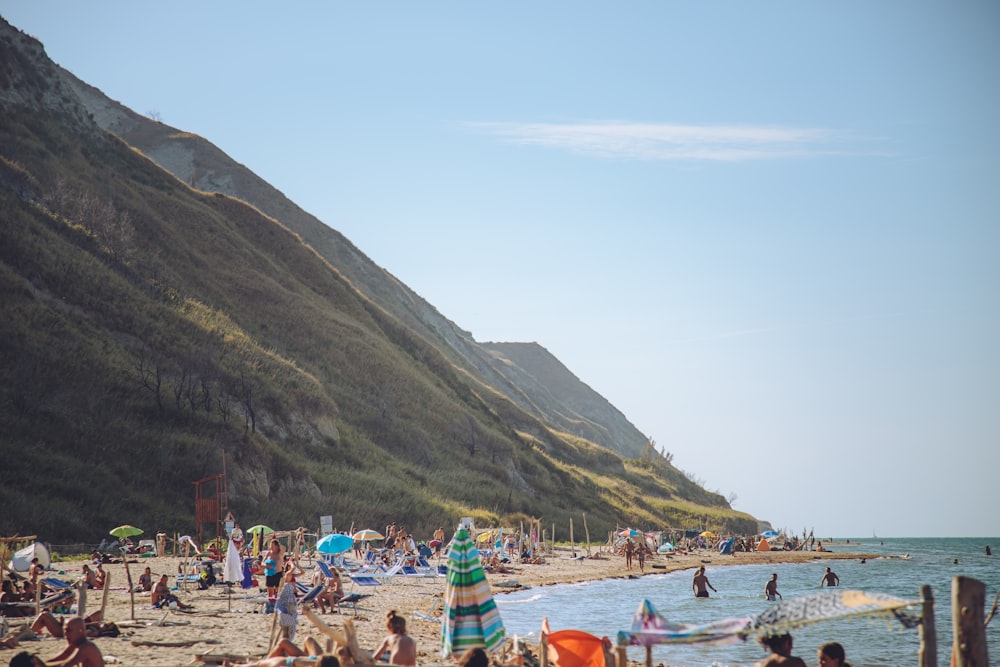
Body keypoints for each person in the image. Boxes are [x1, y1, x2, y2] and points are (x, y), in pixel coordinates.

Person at [40, 616, 105, 667]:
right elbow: (58, 659)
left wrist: (40, 665)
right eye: (64, 630)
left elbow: (66, 665)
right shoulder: (75, 644)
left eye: (69, 630)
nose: (65, 634)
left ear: (80, 631)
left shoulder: (87, 647)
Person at [275, 567, 300, 641]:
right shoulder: (288, 574)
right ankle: (287, 641)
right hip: (289, 595)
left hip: (292, 593)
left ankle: (286, 641)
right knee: (288, 628)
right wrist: (293, 563)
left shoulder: (292, 575)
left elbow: (303, 572)